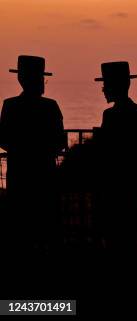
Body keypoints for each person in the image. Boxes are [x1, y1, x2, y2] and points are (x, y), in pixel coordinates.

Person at [0, 55, 66, 252]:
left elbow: (2, 139)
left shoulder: (10, 105)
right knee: (46, 227)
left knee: (20, 229)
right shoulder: (50, 106)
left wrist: (21, 151)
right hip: (45, 174)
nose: (42, 83)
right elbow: (60, 141)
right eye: (41, 79)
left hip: (19, 175)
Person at [94, 61, 137, 253]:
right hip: (133, 180)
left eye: (105, 85)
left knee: (115, 233)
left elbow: (104, 150)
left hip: (114, 183)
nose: (103, 90)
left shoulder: (110, 115)